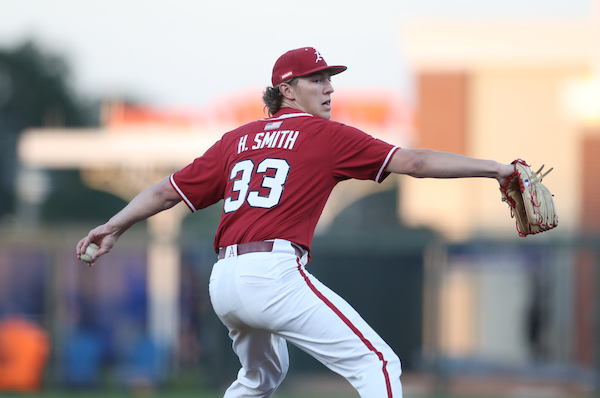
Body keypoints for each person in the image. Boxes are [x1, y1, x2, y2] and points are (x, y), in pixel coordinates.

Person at [77, 47, 516, 397]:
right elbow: (416, 161)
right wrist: (496, 168)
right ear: (286, 89)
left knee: (259, 379)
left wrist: (114, 224)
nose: (329, 89)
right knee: (377, 363)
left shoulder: (237, 139)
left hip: (225, 281)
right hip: (272, 273)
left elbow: (165, 192)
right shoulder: (326, 136)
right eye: (317, 79)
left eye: (330, 79)